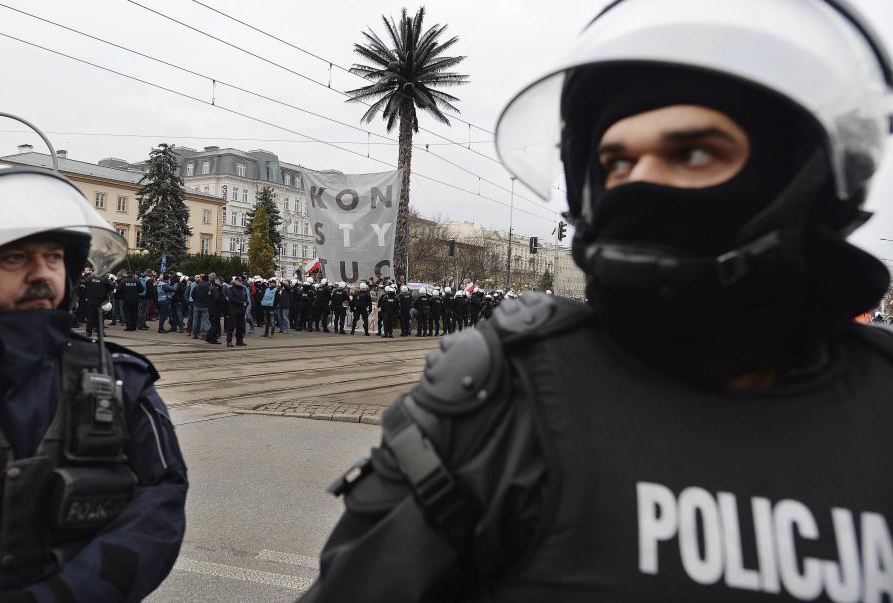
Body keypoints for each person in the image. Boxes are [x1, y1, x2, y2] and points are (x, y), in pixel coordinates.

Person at [300, 1, 893, 600]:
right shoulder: (496, 400)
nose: (638, 183)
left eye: (691, 153)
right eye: (616, 161)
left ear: (802, 180)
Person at [0, 163, 188, 601]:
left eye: (53, 257)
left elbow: (160, 501)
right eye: (14, 257)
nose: (41, 274)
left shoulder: (120, 379)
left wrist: (60, 596)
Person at [83, 269, 109, 338]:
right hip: (101, 301)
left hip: (91, 300)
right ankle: (101, 332)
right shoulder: (104, 279)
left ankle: (88, 332)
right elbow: (111, 287)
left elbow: (84, 283)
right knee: (100, 317)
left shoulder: (90, 278)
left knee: (90, 317)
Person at [225, 275, 249, 347]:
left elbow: (245, 298)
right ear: (235, 281)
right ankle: (229, 341)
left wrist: (246, 303)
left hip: (241, 310)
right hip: (234, 310)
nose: (241, 282)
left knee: (240, 327)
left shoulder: (243, 289)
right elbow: (231, 299)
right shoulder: (231, 289)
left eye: (241, 281)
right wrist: (241, 303)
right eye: (239, 281)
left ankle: (239, 341)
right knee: (231, 326)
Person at [191, 274, 212, 339]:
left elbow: (192, 295)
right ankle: (202, 334)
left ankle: (194, 334)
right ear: (208, 279)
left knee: (195, 320)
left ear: (202, 279)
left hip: (196, 305)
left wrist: (196, 301)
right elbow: (210, 297)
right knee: (204, 320)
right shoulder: (209, 287)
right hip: (205, 305)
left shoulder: (196, 286)